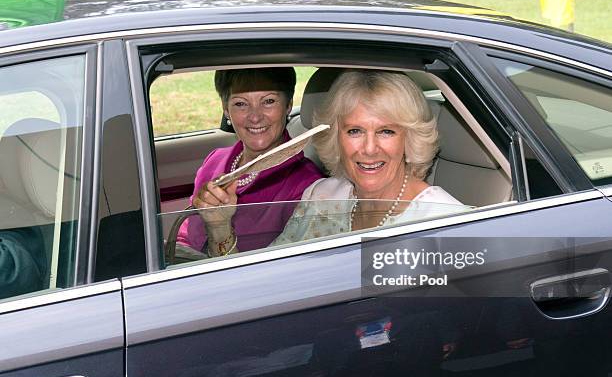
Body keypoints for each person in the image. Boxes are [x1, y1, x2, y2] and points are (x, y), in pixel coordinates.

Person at [201, 69, 470, 254]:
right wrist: (219, 226)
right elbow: (264, 285)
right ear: (336, 138)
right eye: (354, 131)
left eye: (386, 131)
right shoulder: (320, 198)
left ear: (409, 139)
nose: (368, 148)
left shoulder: (446, 223)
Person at [176, 67, 323, 257]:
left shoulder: (308, 186)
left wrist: (220, 227)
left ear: (288, 105)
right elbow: (186, 234)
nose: (255, 116)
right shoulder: (215, 160)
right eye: (240, 104)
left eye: (268, 101)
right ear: (225, 109)